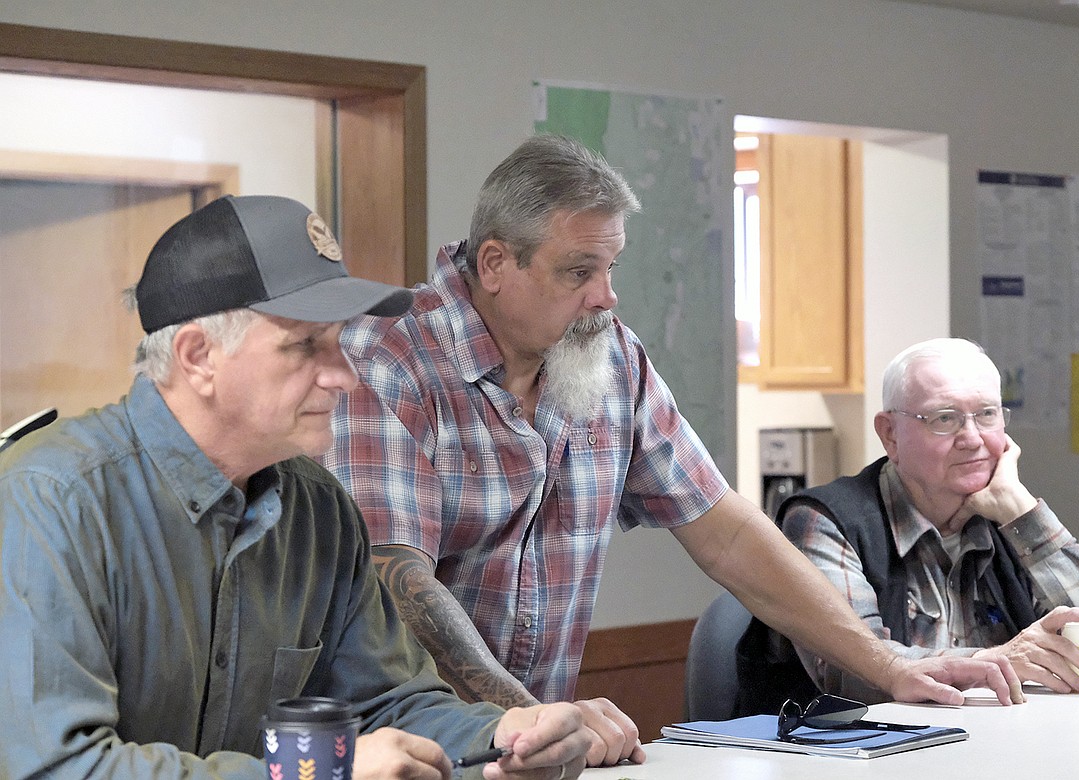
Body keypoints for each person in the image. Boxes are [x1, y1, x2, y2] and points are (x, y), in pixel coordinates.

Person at [321, 135, 1022, 768]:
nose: (607, 296)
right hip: (396, 751)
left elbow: (726, 532)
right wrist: (526, 717)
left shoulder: (611, 360)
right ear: (498, 264)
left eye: (612, 266)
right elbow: (398, 584)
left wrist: (888, 664)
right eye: (578, 272)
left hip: (535, 750)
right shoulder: (389, 359)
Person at [0, 194, 591, 780]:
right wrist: (314, 773)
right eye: (305, 345)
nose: (345, 374)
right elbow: (58, 767)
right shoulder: (50, 501)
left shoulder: (318, 508)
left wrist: (502, 737)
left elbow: (387, 703)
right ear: (198, 356)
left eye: (338, 340)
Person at [757, 337, 1079, 705]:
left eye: (987, 415)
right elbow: (851, 669)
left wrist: (1023, 512)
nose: (973, 438)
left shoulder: (1008, 522)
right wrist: (999, 660)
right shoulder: (824, 520)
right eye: (945, 419)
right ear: (889, 434)